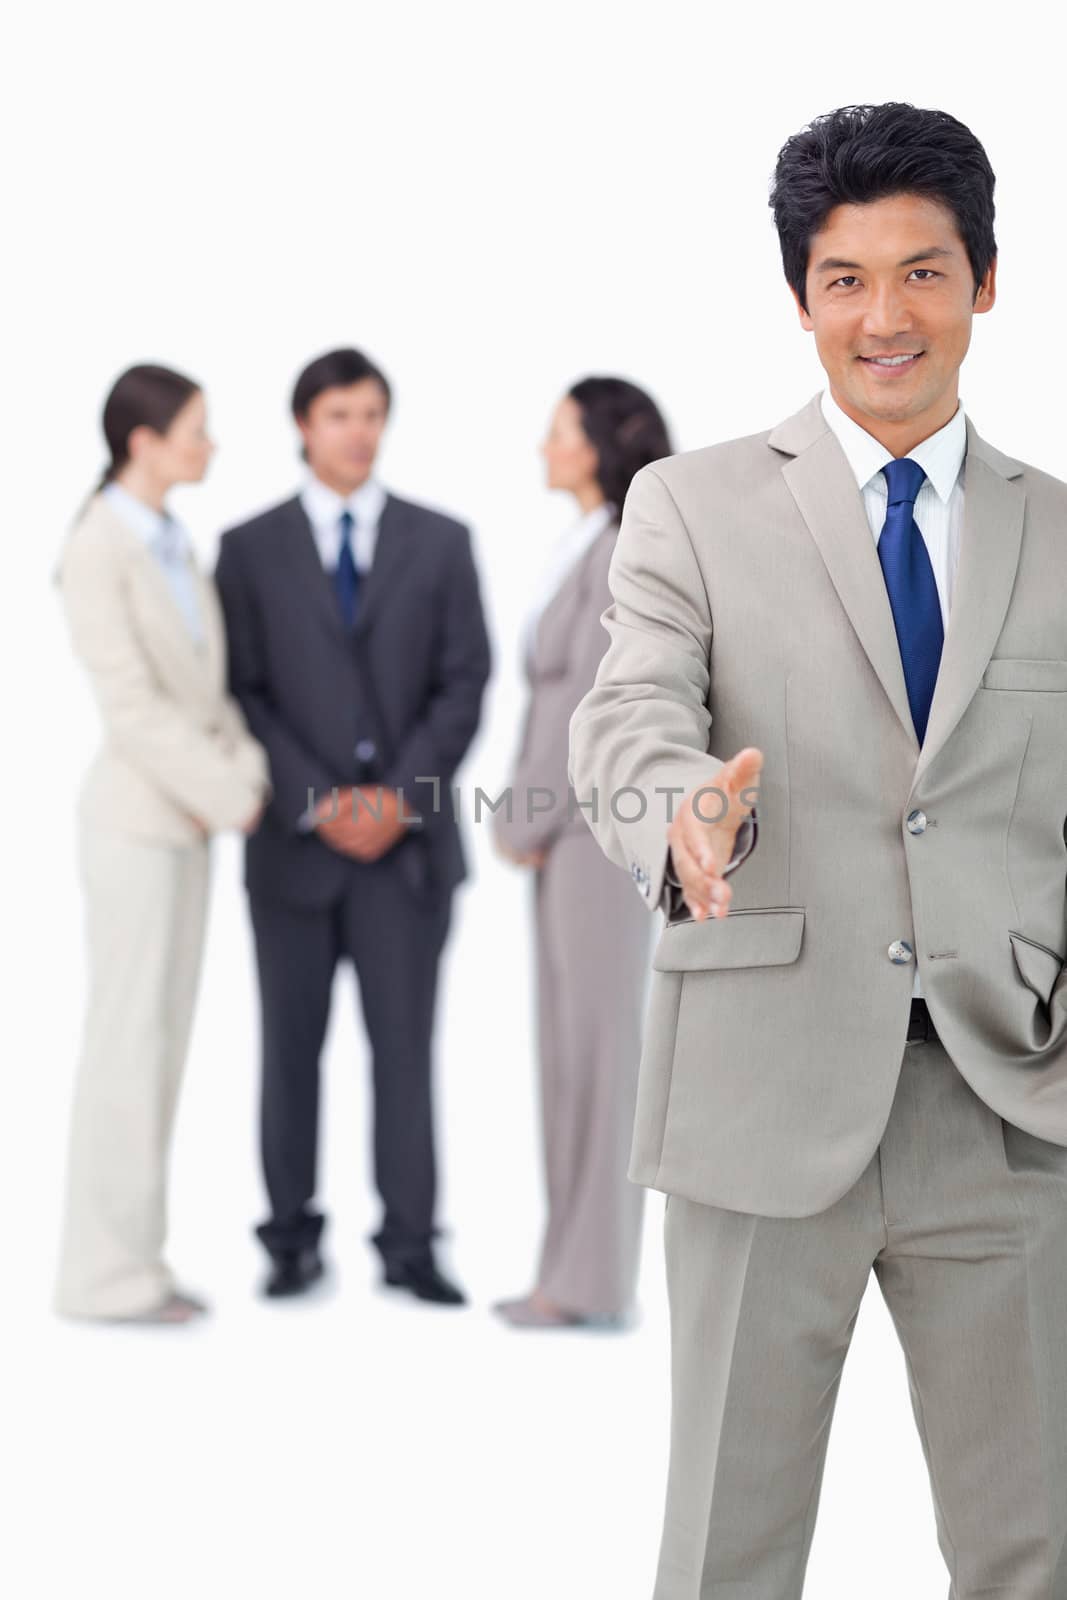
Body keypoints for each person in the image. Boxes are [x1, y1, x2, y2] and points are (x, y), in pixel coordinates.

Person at [569, 102, 1067, 1595]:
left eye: (920, 272)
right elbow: (626, 717)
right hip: (758, 1094)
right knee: (728, 1544)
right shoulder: (690, 506)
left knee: (1030, 1549)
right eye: (843, 279)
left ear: (984, 281)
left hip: (1008, 1099)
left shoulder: (1058, 533)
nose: (882, 316)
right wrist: (679, 806)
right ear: (799, 299)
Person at [215, 347, 491, 1304]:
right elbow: (241, 689)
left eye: (372, 413)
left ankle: (410, 1244)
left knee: (405, 1051)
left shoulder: (442, 540)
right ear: (303, 425)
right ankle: (289, 1238)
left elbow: (465, 683)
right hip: (293, 850)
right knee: (288, 1050)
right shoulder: (247, 549)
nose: (359, 431)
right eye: (340, 415)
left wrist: (397, 800)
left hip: (406, 857)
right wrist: (317, 800)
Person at [53, 364, 270, 1325]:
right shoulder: (97, 546)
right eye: (194, 429)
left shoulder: (175, 542)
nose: (208, 444)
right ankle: (103, 1277)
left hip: (190, 825)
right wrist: (229, 792)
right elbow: (132, 708)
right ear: (142, 442)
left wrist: (244, 775)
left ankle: (137, 1260)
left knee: (163, 1048)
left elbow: (208, 693)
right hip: (140, 824)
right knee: (125, 1049)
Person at [492, 378, 670, 1328]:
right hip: (560, 839)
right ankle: (564, 1272)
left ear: (599, 442)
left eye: (558, 432)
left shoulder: (618, 550)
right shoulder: (585, 541)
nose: (543, 447)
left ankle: (592, 1282)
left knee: (600, 1054)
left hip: (592, 836)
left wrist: (519, 818)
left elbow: (585, 712)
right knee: (565, 1054)